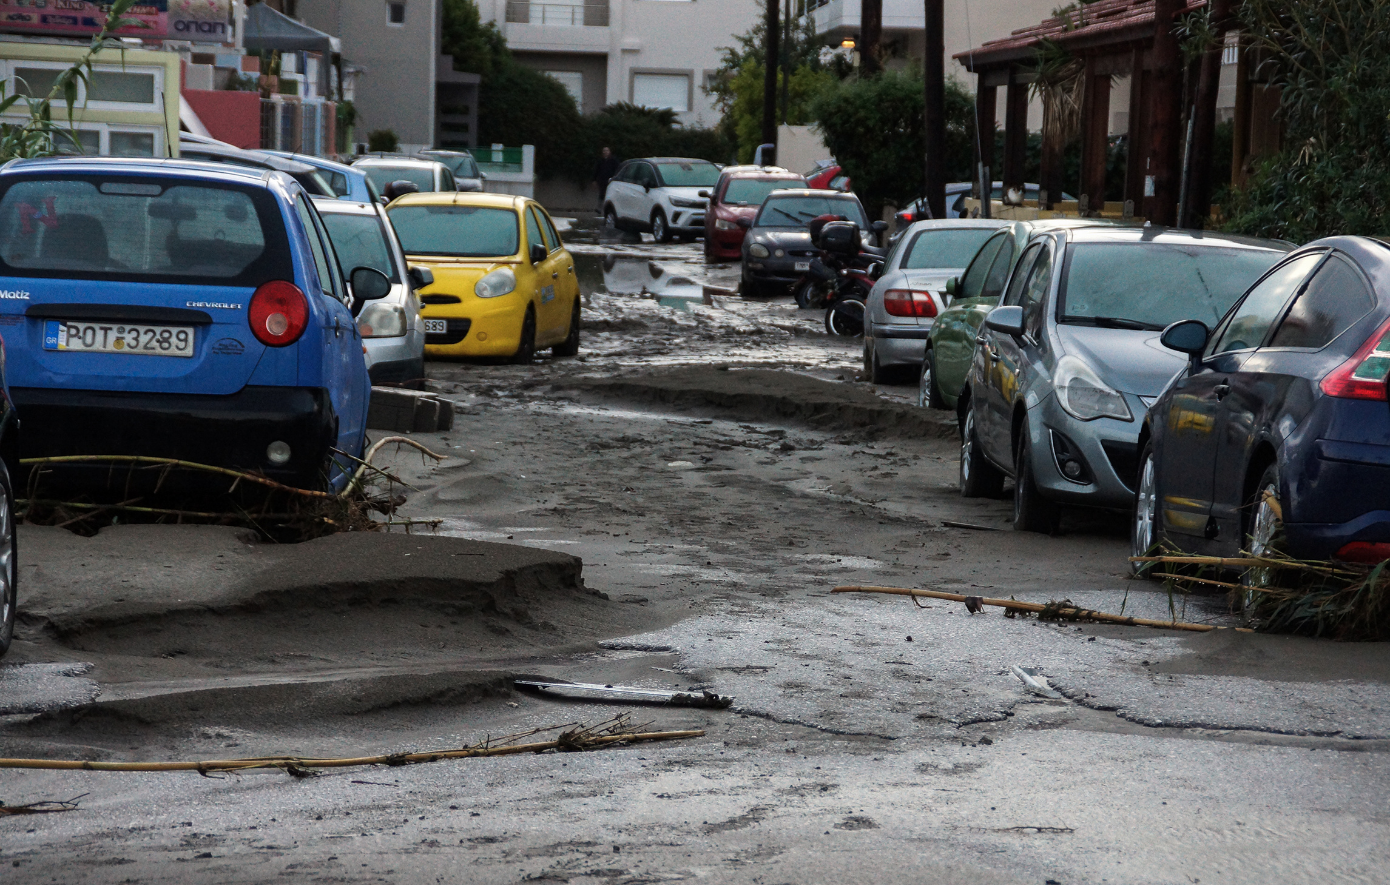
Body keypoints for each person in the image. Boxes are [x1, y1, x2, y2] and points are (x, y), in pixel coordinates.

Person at [593, 147, 619, 216]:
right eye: (604, 151)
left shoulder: (613, 160)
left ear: (609, 152)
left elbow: (617, 169)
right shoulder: (600, 161)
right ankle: (599, 208)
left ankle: (606, 209)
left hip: (611, 180)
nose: (605, 152)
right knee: (602, 193)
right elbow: (596, 170)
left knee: (609, 194)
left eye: (607, 151)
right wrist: (594, 179)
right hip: (602, 180)